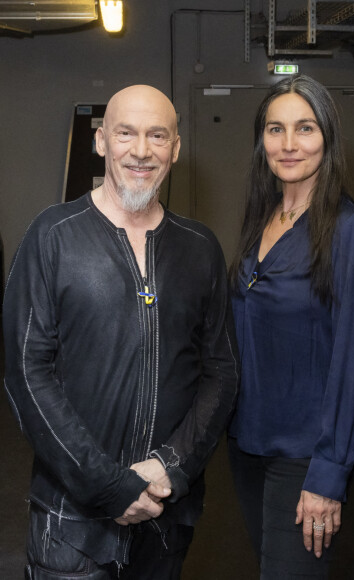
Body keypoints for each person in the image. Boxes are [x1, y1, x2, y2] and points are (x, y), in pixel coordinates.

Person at [2, 84, 239, 579]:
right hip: (71, 522)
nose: (141, 150)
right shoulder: (52, 235)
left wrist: (171, 465)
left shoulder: (200, 248)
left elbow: (221, 371)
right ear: (101, 141)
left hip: (165, 514)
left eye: (157, 136)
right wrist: (106, 485)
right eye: (125, 133)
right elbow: (26, 373)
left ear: (175, 148)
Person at [227, 74, 354, 578]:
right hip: (248, 445)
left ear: (328, 138)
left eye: (305, 128)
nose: (289, 144)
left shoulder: (348, 229)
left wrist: (329, 474)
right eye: (275, 129)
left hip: (305, 456)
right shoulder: (263, 217)